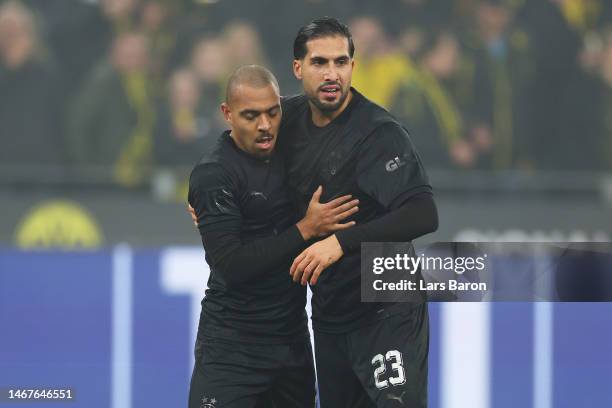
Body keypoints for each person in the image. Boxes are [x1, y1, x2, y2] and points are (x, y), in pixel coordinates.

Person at [281, 18, 438, 408]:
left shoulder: (378, 133)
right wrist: (209, 192)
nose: (332, 73)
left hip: (388, 310)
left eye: (341, 62)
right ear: (298, 68)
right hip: (331, 312)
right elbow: (236, 137)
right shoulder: (287, 120)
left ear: (353, 65)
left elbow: (422, 214)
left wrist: (339, 242)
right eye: (320, 63)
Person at [187, 64, 359, 408]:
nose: (265, 126)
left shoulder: (293, 146)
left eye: (272, 112)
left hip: (291, 346)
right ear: (227, 114)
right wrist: (306, 229)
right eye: (250, 116)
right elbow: (232, 266)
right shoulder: (214, 175)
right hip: (232, 349)